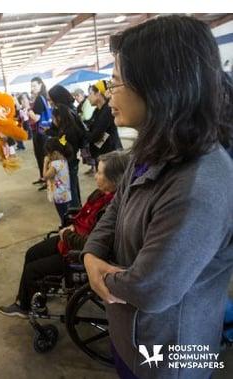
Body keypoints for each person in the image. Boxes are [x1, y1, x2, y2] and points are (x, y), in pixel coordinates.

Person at [81, 15, 233, 379]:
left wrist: (103, 278)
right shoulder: (151, 148)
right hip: (130, 337)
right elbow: (116, 209)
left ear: (159, 86)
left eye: (115, 82)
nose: (108, 92)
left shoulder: (200, 185)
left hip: (171, 357)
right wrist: (91, 256)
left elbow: (150, 289)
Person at [0, 150, 130, 318]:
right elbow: (84, 216)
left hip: (78, 252)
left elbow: (94, 244)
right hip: (71, 236)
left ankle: (26, 307)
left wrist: (67, 235)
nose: (95, 176)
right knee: (32, 253)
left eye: (99, 172)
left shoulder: (112, 208)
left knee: (33, 270)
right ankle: (35, 295)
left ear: (114, 179)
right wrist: (72, 228)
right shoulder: (99, 194)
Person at [50, 102, 86, 208]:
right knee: (73, 186)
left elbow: (65, 146)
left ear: (59, 117)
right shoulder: (68, 127)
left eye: (53, 118)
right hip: (72, 160)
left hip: (69, 162)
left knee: (71, 189)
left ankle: (75, 211)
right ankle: (77, 207)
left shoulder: (67, 131)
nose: (53, 121)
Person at [87, 80, 122, 166]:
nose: (88, 97)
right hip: (102, 154)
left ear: (98, 93)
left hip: (110, 156)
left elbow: (95, 136)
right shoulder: (97, 111)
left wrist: (86, 134)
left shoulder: (107, 110)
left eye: (90, 94)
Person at [28, 77, 52, 190]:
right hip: (44, 131)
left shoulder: (39, 99)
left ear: (41, 85)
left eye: (34, 86)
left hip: (41, 133)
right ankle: (43, 178)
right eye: (31, 86)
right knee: (42, 156)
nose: (32, 88)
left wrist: (29, 111)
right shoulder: (43, 98)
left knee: (42, 156)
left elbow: (36, 118)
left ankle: (46, 180)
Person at [42, 137, 72, 221]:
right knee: (66, 214)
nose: (47, 156)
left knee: (63, 216)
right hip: (65, 194)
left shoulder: (55, 164)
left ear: (54, 153)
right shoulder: (64, 160)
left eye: (48, 154)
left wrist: (45, 163)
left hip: (59, 195)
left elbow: (45, 176)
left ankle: (65, 228)